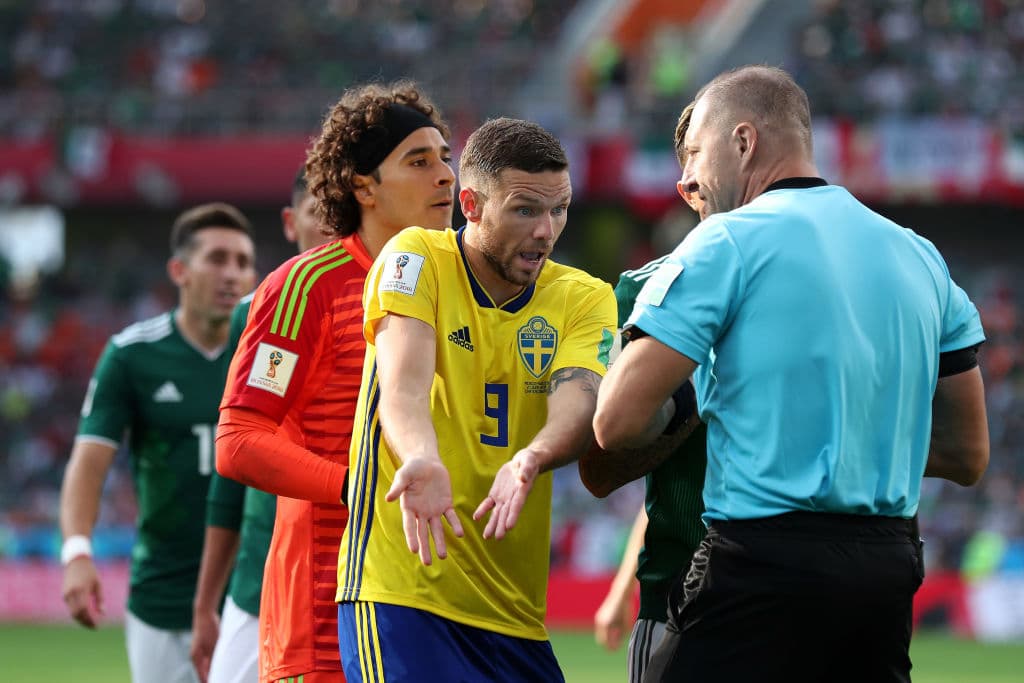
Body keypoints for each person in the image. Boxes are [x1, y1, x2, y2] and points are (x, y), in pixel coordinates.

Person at [593, 65, 990, 683]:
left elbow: (615, 422)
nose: (685, 179)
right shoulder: (921, 256)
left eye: (695, 152)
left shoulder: (723, 243)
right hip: (883, 576)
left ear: (744, 142)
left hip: (758, 568)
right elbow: (968, 454)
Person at [334, 117, 618, 683]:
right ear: (470, 203)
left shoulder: (586, 297)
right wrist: (420, 455)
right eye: (524, 210)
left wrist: (533, 456)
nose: (546, 230)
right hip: (403, 594)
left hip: (515, 615)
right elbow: (404, 385)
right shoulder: (414, 258)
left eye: (558, 209)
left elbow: (578, 400)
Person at [215, 81, 456, 683]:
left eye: (446, 158)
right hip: (327, 623)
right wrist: (357, 486)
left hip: (442, 611)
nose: (446, 176)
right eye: (419, 162)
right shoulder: (306, 288)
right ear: (363, 186)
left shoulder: (464, 285)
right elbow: (238, 439)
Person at [59, 203, 257, 683]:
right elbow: (89, 461)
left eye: (242, 262)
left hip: (253, 592)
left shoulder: (271, 348)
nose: (232, 274)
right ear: (179, 270)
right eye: (216, 258)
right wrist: (77, 552)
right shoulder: (132, 355)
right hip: (163, 597)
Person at [191, 167, 334, 683]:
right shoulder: (255, 313)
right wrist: (208, 601)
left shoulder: (391, 308)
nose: (333, 228)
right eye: (321, 216)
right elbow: (231, 469)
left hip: (350, 568)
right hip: (257, 580)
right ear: (292, 223)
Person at [587, 102, 708, 683]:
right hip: (681, 590)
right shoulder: (640, 291)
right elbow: (603, 463)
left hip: (807, 592)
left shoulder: (827, 274)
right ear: (689, 187)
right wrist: (689, 402)